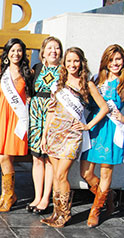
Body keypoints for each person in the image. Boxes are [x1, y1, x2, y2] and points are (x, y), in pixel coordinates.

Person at [80, 44, 124, 227]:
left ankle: (95, 210)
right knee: (86, 172)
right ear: (105, 61)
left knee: (105, 171)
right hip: (93, 126)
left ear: (123, 60)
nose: (115, 63)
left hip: (111, 129)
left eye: (118, 59)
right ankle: (108, 195)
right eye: (111, 59)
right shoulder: (96, 80)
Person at [41, 47, 108, 228]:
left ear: (81, 63)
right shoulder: (58, 83)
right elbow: (51, 110)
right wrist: (45, 134)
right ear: (64, 63)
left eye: (76, 61)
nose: (72, 64)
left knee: (62, 174)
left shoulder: (87, 84)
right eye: (69, 61)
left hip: (72, 134)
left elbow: (104, 108)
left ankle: (65, 214)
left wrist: (88, 125)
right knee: (56, 175)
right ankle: (57, 213)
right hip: (55, 131)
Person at [0, 38, 33, 212]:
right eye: (12, 50)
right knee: (2, 156)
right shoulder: (1, 71)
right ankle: (6, 196)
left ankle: (8, 196)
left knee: (6, 157)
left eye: (19, 50)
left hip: (17, 117)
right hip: (3, 115)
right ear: (7, 53)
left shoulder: (27, 72)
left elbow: (32, 95)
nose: (16, 54)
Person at [27, 36, 63, 214]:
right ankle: (36, 195)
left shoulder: (63, 71)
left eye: (57, 48)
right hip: (35, 115)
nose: (53, 51)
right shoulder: (37, 69)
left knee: (49, 158)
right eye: (50, 48)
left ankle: (45, 198)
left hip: (53, 116)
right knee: (36, 158)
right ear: (43, 52)